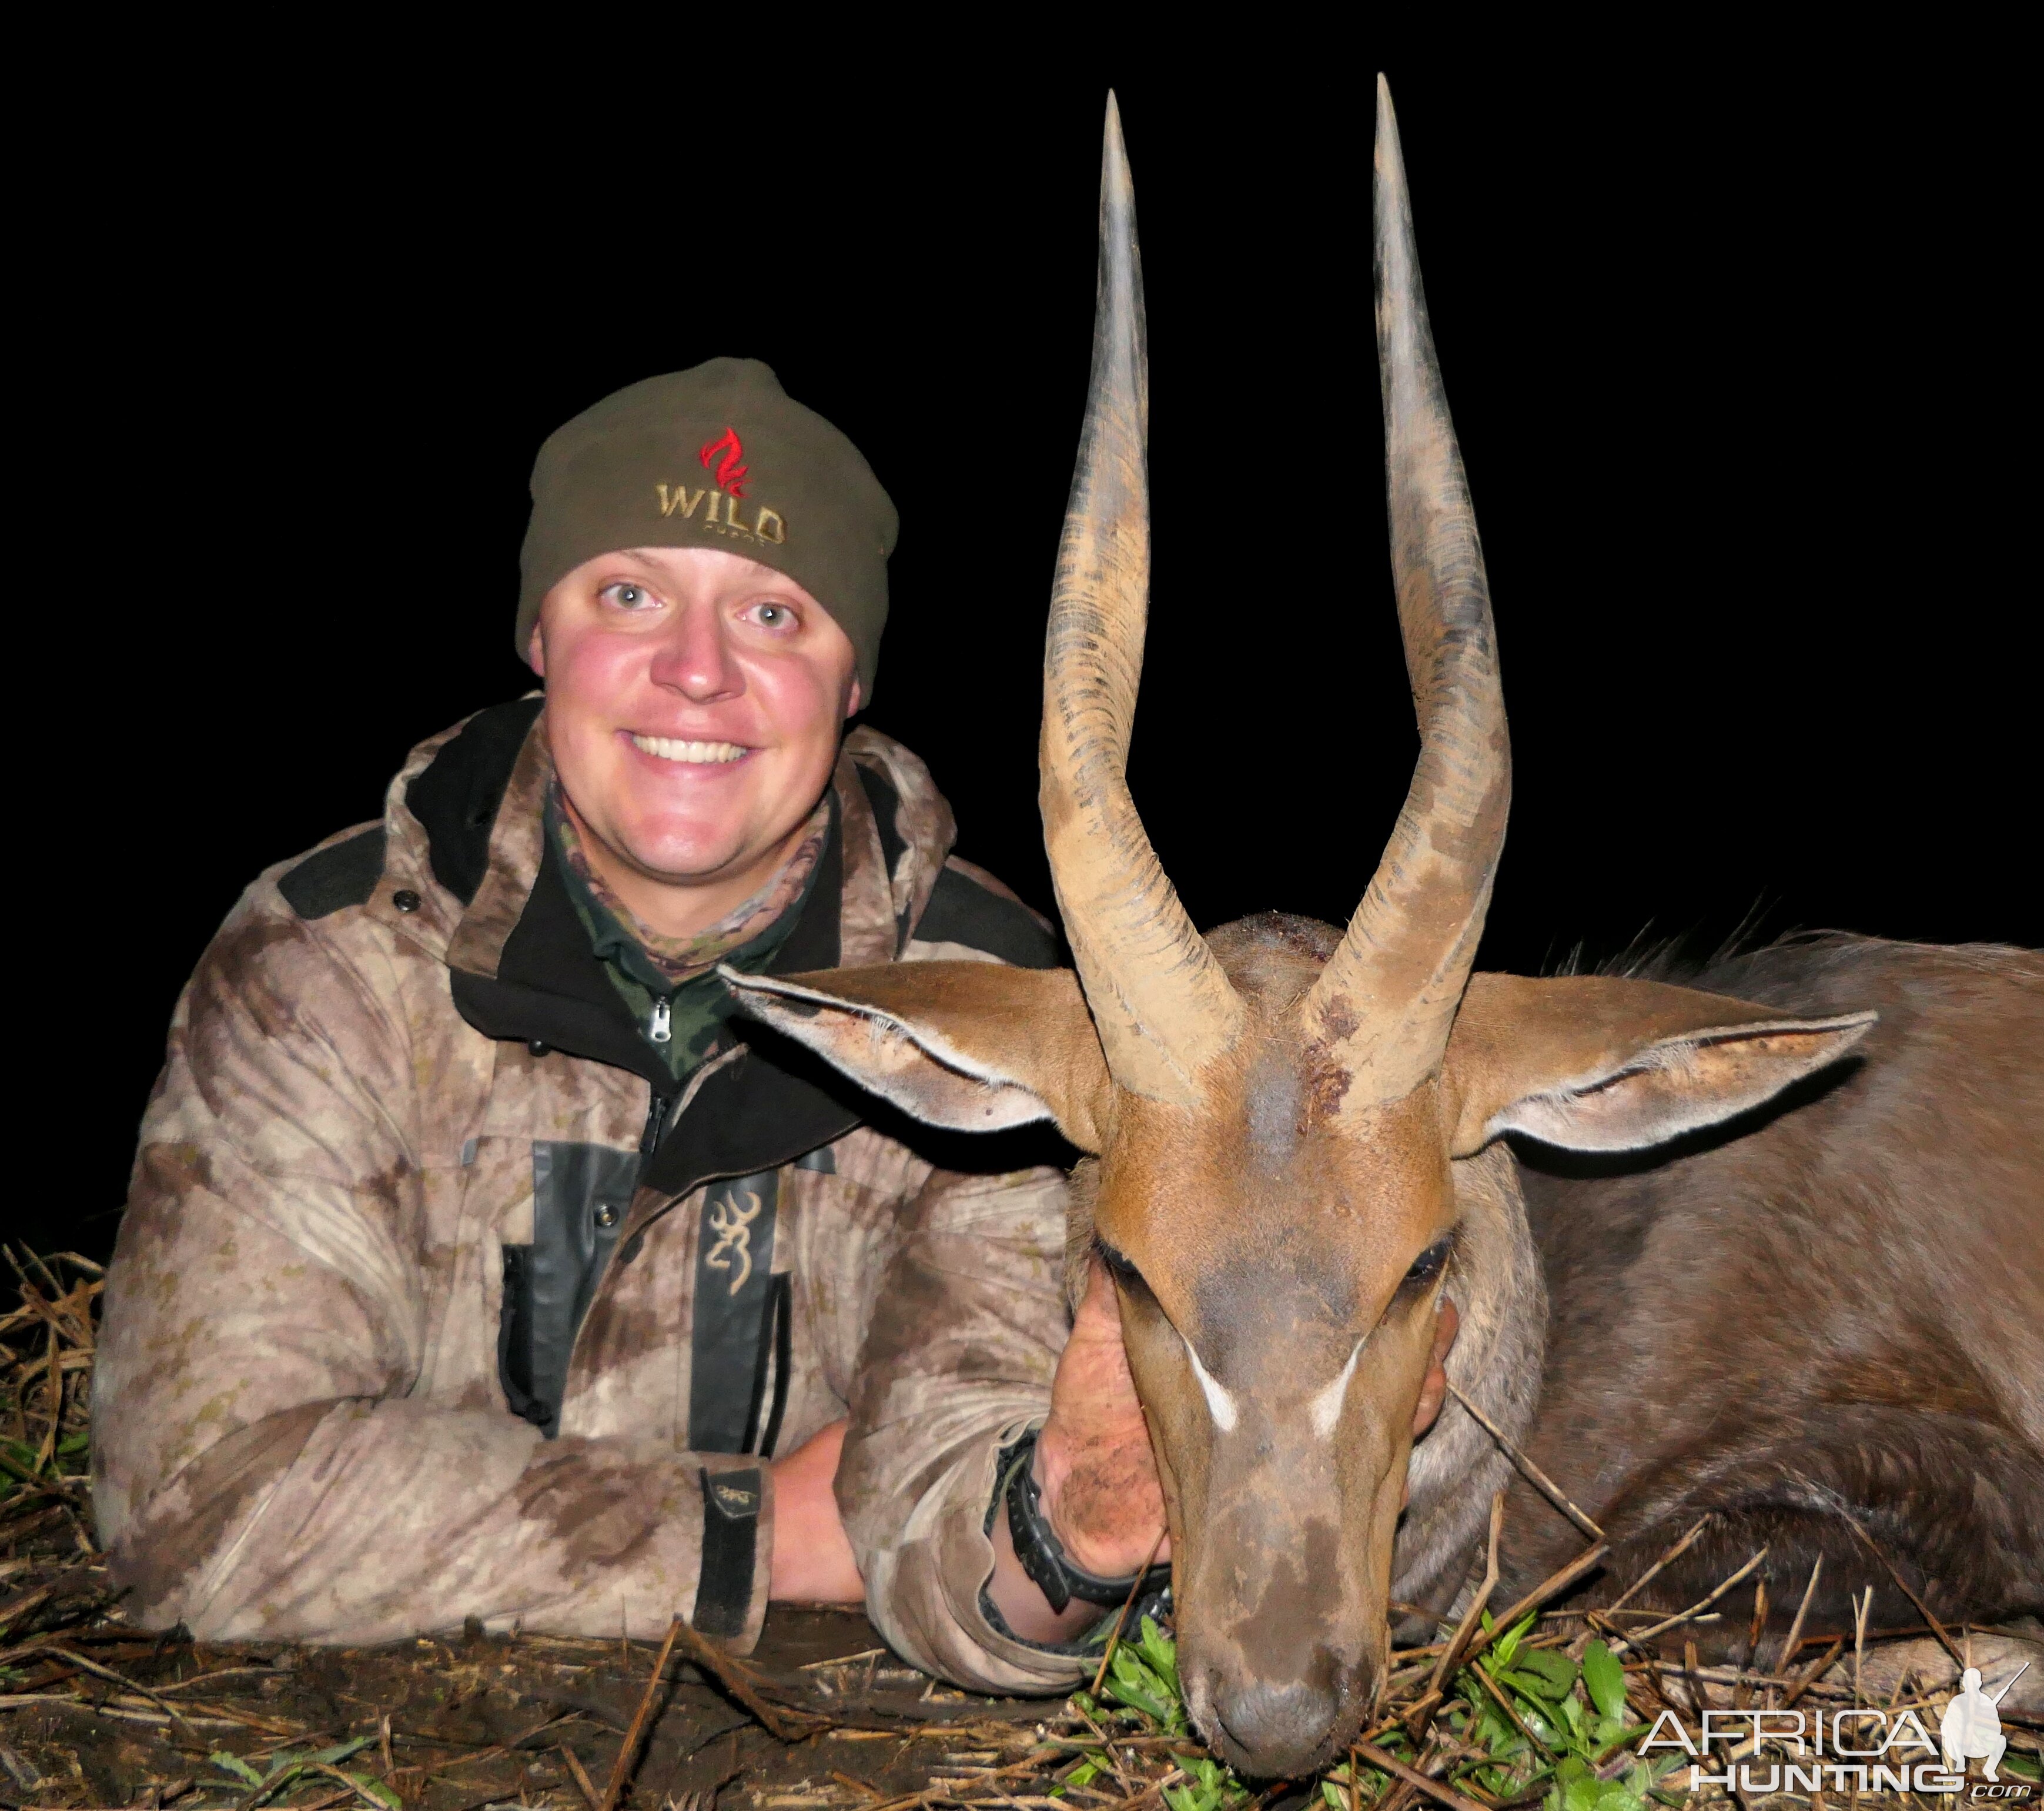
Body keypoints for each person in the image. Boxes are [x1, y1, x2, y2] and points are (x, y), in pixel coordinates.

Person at [91, 359, 1168, 1692]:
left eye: (774, 613)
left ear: (850, 686)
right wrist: (749, 1534)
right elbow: (196, 1495)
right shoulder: (327, 965)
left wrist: (1069, 1534)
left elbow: (963, 1505)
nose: (697, 671)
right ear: (539, 636)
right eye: (630, 594)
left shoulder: (985, 1010)